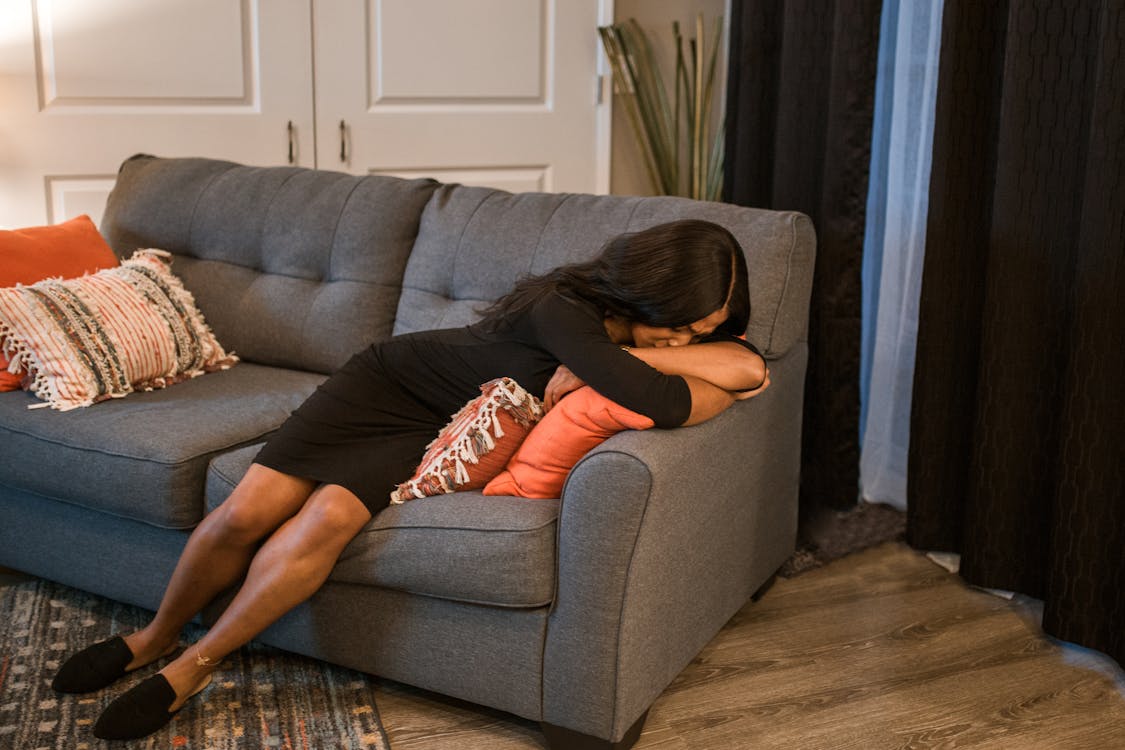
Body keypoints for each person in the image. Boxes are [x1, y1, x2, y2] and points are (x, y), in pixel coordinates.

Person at [50, 218, 770, 740]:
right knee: (248, 511)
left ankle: (195, 665)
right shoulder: (567, 309)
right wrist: (635, 366)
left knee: (328, 521)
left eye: (698, 333)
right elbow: (671, 399)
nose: (686, 341)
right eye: (680, 326)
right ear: (649, 290)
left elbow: (745, 369)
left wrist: (647, 360)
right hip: (385, 385)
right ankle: (155, 637)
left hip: (435, 428)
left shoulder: (635, 339)